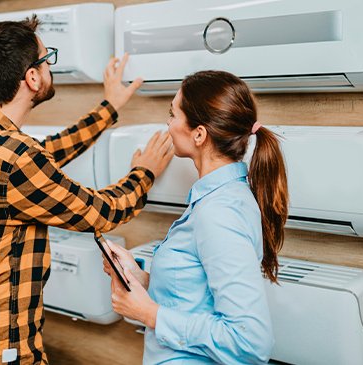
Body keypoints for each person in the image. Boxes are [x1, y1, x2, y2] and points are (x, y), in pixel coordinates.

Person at [0, 15, 174, 365]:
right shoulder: (16, 158)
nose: (49, 64)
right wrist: (143, 173)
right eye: (46, 57)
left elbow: (41, 155)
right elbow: (101, 212)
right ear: (32, 77)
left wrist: (108, 109)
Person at [103, 70, 289, 364]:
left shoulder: (219, 212)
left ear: (199, 134)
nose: (168, 123)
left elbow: (250, 341)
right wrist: (142, 279)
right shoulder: (216, 199)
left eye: (172, 114)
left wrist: (150, 314)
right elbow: (196, 294)